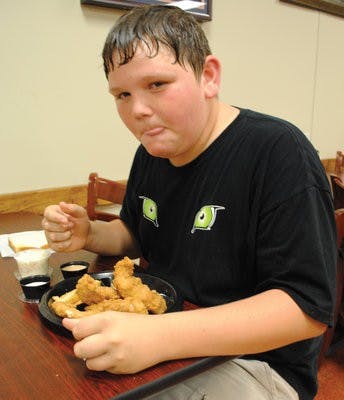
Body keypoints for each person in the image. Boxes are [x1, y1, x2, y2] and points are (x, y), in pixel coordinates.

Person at [42, 5, 337, 400]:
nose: (138, 110)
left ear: (209, 77)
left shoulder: (279, 151)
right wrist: (89, 232)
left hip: (258, 366)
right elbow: (135, 234)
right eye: (122, 94)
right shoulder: (152, 152)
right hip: (166, 331)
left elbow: (305, 310)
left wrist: (158, 337)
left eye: (157, 84)